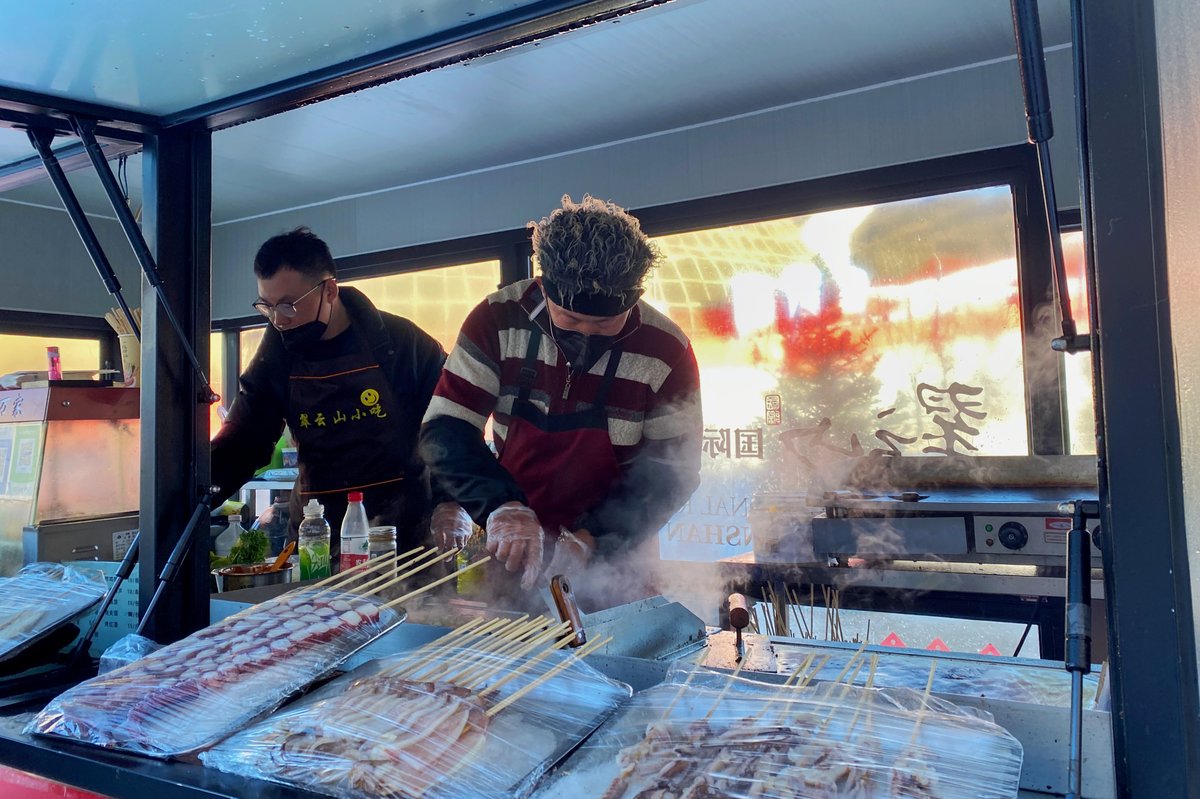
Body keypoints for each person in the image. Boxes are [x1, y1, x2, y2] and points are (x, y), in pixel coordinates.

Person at [419, 195, 703, 594]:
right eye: (570, 318)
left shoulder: (665, 349)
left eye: (604, 323)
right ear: (542, 286)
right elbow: (445, 429)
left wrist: (594, 539)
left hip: (616, 560)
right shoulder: (497, 320)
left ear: (634, 297)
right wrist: (501, 507)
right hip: (512, 546)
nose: (585, 333)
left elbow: (672, 472)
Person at [211, 227, 446, 555]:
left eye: (289, 306)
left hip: (403, 533)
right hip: (315, 536)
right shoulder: (276, 357)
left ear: (330, 290)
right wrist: (195, 494)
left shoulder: (401, 343)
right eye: (267, 307)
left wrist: (451, 504)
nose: (279, 320)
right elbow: (245, 439)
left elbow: (448, 429)